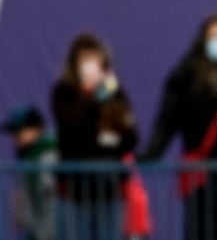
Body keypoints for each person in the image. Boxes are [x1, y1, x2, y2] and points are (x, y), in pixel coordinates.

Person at [139, 13, 217, 240]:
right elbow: (168, 118)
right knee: (202, 230)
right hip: (201, 175)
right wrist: (152, 152)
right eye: (213, 36)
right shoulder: (186, 75)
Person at [51, 32, 138, 240]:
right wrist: (95, 94)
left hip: (108, 187)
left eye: (94, 59)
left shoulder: (114, 92)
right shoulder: (64, 92)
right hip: (74, 190)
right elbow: (72, 123)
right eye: (84, 59)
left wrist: (108, 93)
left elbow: (131, 137)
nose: (90, 65)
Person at [2, 105, 58, 240]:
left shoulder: (49, 152)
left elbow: (51, 197)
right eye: (14, 133)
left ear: (36, 128)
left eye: (19, 131)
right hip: (36, 228)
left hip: (50, 230)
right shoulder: (29, 155)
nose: (16, 137)